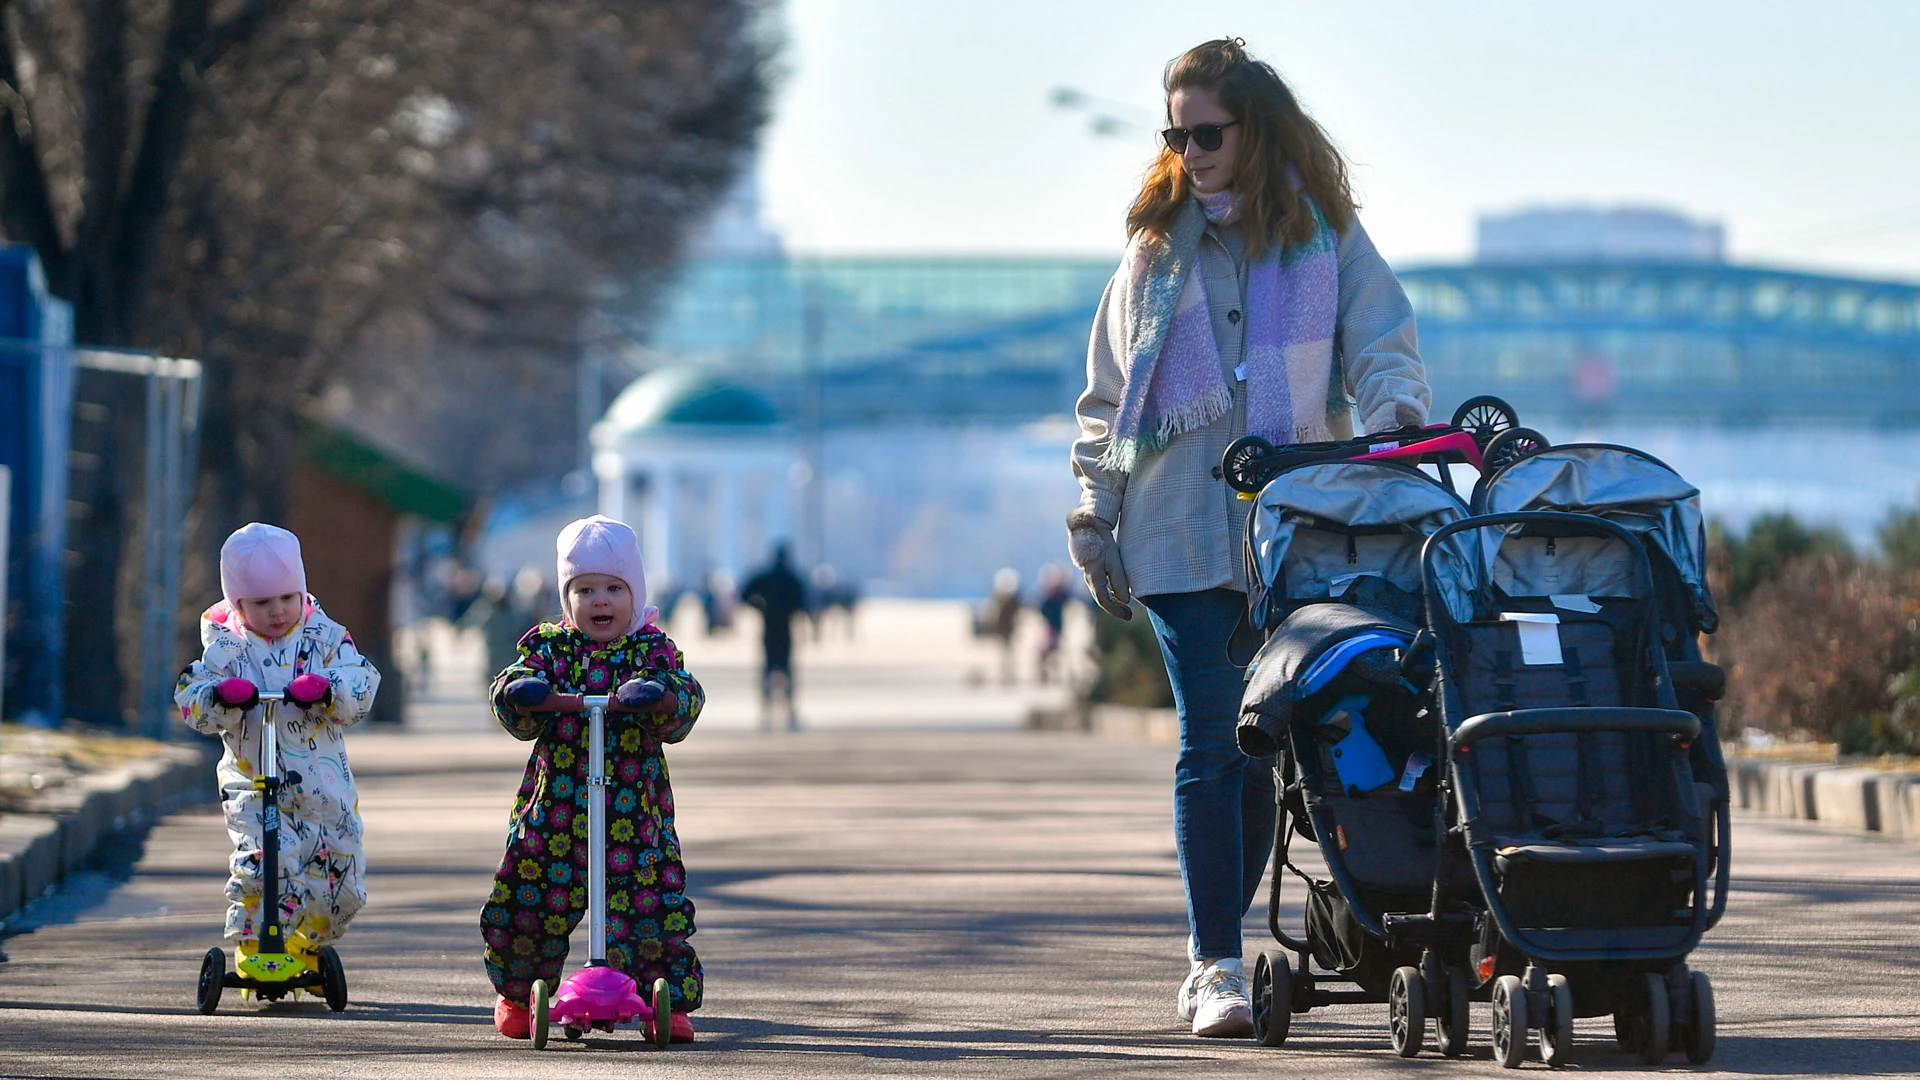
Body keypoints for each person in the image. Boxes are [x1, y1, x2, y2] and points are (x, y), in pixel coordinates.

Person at [1067, 38, 1429, 1038]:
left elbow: (1384, 341)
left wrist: (1396, 416)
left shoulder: (1323, 236)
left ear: (1253, 127)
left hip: (1298, 532)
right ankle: (1214, 963)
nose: (1190, 149)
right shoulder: (1150, 252)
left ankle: (1226, 927)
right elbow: (1106, 399)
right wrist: (1094, 514)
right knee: (1207, 743)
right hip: (1178, 527)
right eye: (1175, 132)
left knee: (1263, 747)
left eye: (1208, 131)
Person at [481, 515, 705, 1043]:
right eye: (584, 590)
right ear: (567, 598)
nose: (599, 601)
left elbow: (686, 694)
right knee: (531, 895)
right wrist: (522, 692)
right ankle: (519, 991)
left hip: (632, 808)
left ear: (634, 593)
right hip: (557, 804)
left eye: (612, 588)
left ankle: (663, 995)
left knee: (649, 902)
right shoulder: (553, 649)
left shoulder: (650, 651)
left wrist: (661, 696)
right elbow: (510, 683)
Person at [175, 523, 381, 970]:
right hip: (253, 779)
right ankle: (258, 945)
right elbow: (191, 697)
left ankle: (307, 940)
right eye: (262, 603)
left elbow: (363, 683)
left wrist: (328, 688)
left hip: (322, 785)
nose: (277, 611)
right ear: (237, 602)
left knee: (339, 885)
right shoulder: (226, 648)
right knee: (264, 865)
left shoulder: (325, 639)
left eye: (287, 598)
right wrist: (219, 695)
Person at [741, 543, 807, 731]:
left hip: (769, 628)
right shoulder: (792, 579)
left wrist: (760, 607)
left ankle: (766, 715)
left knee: (768, 670)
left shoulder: (766, 577)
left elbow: (745, 593)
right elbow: (802, 605)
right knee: (786, 671)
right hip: (785, 630)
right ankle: (791, 714)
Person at [1034, 564, 1071, 685]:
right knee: (1050, 651)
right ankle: (1047, 674)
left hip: (1054, 626)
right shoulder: (1054, 595)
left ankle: (1048, 674)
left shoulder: (1056, 594)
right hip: (1052, 626)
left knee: (1051, 652)